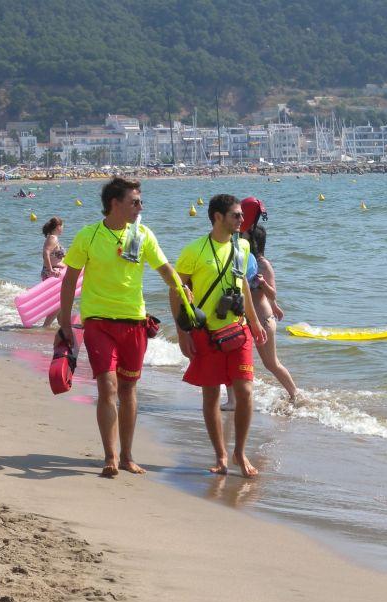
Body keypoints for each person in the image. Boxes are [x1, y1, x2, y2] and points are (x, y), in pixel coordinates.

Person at [57, 177, 184, 478]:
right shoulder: (88, 235)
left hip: (134, 321)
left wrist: (182, 290)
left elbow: (164, 268)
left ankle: (127, 455)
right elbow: (70, 279)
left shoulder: (142, 234)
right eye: (135, 202)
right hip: (98, 321)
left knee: (128, 388)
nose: (140, 207)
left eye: (140, 201)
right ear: (115, 203)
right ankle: (110, 455)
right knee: (107, 385)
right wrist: (64, 318)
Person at [176, 194, 267, 478]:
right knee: (211, 394)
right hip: (206, 333)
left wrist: (255, 322)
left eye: (242, 215)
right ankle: (221, 455)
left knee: (245, 391)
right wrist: (182, 333)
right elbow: (177, 292)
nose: (242, 220)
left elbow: (243, 287)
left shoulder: (243, 246)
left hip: (238, 329)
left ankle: (240, 451)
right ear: (218, 217)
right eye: (236, 215)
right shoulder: (193, 251)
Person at [225, 223, 297, 409]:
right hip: (243, 319)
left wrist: (263, 284)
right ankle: (232, 400)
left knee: (271, 363)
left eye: (244, 234)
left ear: (253, 239)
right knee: (231, 358)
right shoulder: (241, 259)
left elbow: (272, 293)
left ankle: (295, 395)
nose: (240, 236)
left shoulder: (263, 264)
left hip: (263, 320)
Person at [41, 216, 67, 327]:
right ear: (58, 227)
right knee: (61, 301)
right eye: (62, 226)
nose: (63, 228)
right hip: (52, 273)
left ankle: (62, 325)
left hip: (53, 272)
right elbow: (45, 253)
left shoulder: (52, 238)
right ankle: (45, 327)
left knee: (58, 301)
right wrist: (51, 270)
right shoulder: (53, 238)